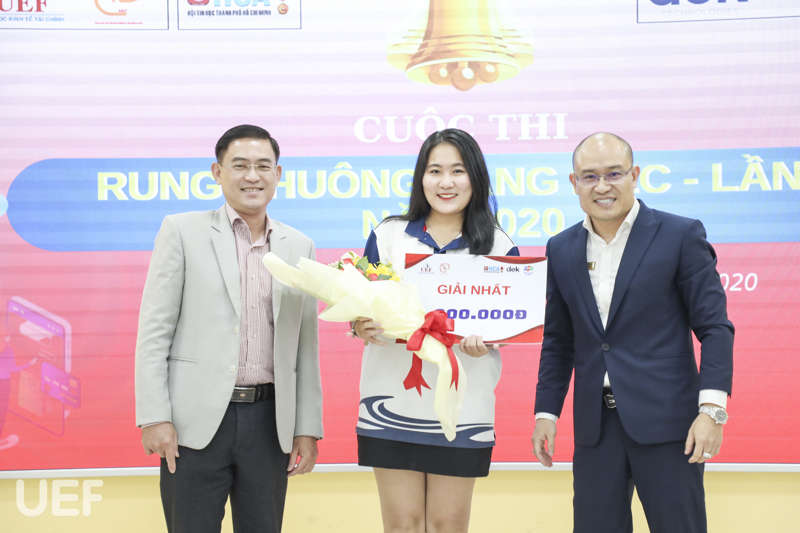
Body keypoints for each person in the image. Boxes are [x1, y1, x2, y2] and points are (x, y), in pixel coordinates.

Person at [531, 132, 734, 533]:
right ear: (574, 183)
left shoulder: (679, 235)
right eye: (590, 177)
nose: (602, 186)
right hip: (595, 429)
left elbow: (715, 328)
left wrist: (712, 411)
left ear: (634, 175)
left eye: (614, 174)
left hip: (670, 425)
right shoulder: (561, 248)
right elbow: (558, 341)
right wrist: (546, 413)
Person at [135, 124, 323, 533]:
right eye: (240, 165)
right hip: (194, 425)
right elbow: (154, 331)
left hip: (269, 422)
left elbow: (305, 347)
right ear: (217, 172)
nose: (252, 176)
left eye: (263, 166)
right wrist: (154, 416)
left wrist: (307, 428)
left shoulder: (299, 246)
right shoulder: (182, 232)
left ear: (278, 174)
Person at [352, 128, 519, 533]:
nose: (446, 182)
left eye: (458, 171)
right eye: (435, 171)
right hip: (391, 404)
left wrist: (487, 342)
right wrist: (360, 324)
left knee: (447, 525)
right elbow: (357, 306)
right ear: (420, 177)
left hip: (463, 409)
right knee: (403, 525)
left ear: (475, 178)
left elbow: (507, 325)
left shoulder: (500, 246)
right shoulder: (388, 235)